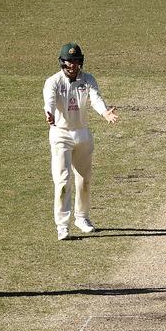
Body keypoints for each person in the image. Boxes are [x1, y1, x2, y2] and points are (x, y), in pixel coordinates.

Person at [43, 42, 119, 241]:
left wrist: (104, 113)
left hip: (82, 134)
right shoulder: (53, 82)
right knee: (62, 181)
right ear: (62, 62)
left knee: (84, 180)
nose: (73, 65)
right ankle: (62, 225)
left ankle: (82, 218)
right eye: (69, 61)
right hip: (60, 134)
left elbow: (95, 98)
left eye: (76, 61)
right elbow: (49, 101)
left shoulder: (88, 79)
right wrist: (49, 113)